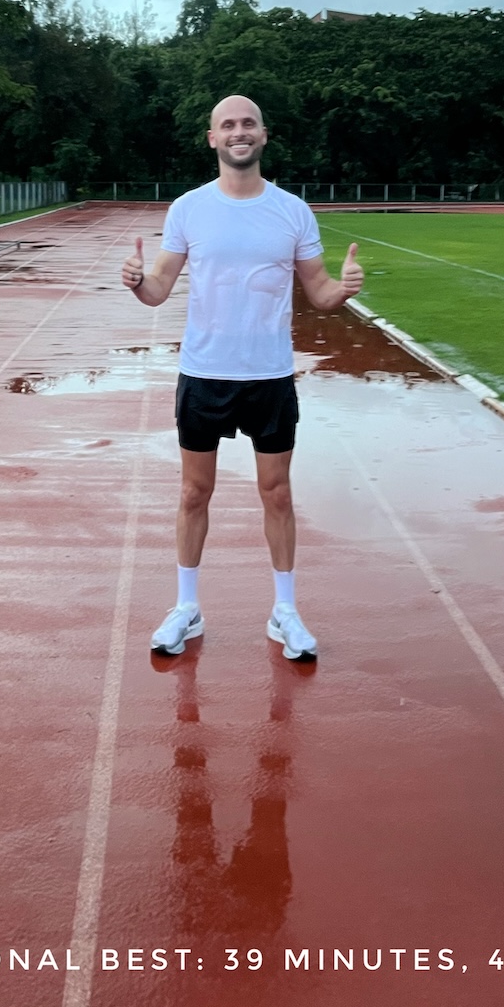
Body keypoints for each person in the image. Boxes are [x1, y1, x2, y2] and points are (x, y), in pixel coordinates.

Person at [121, 94, 364, 660]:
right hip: (204, 372)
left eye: (247, 123)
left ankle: (285, 612)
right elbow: (158, 289)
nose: (238, 131)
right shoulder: (188, 209)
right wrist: (136, 281)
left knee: (277, 494)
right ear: (212, 138)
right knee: (192, 492)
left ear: (263, 134)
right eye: (227, 125)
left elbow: (320, 293)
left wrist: (344, 288)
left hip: (269, 376)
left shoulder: (292, 211)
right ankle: (186, 607)